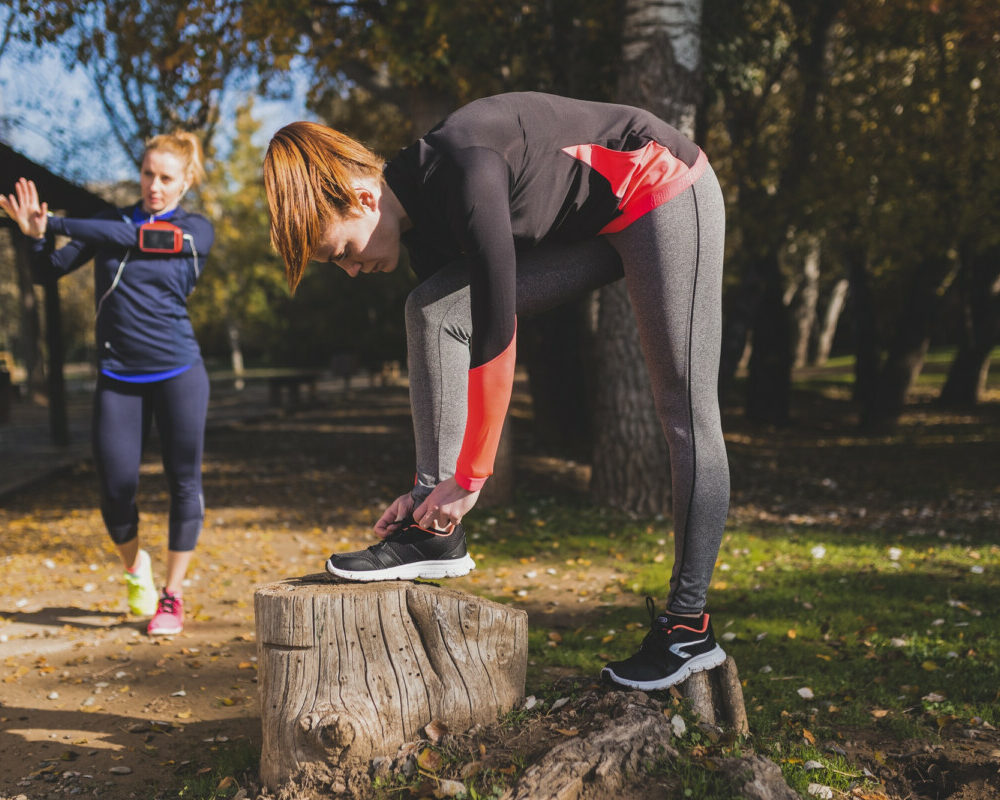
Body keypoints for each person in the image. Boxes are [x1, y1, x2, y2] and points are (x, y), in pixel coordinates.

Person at [263, 92, 729, 690]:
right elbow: (450, 339)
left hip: (663, 189)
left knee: (685, 411)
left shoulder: (465, 167)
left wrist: (473, 476)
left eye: (344, 252)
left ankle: (688, 626)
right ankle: (433, 533)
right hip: (598, 223)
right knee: (430, 310)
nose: (352, 271)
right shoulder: (421, 221)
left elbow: (493, 328)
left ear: (363, 198)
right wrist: (431, 494)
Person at [1, 132, 214, 636]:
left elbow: (145, 240)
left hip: (180, 372)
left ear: (186, 180)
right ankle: (135, 566)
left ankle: (172, 596)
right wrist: (35, 235)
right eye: (147, 175)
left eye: (165, 178)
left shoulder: (194, 230)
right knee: (117, 489)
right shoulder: (112, 222)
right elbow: (45, 270)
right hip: (119, 375)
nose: (154, 186)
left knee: (184, 483)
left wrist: (55, 222)